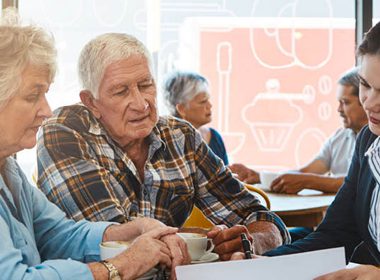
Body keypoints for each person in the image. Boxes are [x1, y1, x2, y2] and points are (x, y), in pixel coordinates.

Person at [36, 32, 290, 261]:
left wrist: (251, 241)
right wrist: (208, 240)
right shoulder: (65, 130)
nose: (141, 103)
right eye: (121, 91)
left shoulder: (181, 136)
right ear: (91, 102)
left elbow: (256, 216)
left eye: (145, 85)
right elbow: (115, 240)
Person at [0, 9, 189, 280]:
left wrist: (135, 229)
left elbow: (58, 234)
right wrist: (119, 266)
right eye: (33, 96)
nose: (47, 110)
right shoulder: (62, 134)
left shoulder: (9, 171)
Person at [232, 21, 380, 279]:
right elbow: (337, 234)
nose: (371, 102)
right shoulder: (368, 141)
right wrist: (259, 265)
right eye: (366, 86)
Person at [230, 67, 368, 194]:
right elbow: (305, 172)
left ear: (365, 101)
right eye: (339, 102)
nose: (339, 109)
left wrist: (308, 181)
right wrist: (261, 177)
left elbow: (359, 182)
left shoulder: (375, 140)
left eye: (345, 102)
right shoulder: (340, 137)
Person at [163, 71, 229, 165]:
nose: (210, 105)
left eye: (208, 99)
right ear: (182, 109)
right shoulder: (168, 144)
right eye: (203, 102)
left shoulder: (215, 137)